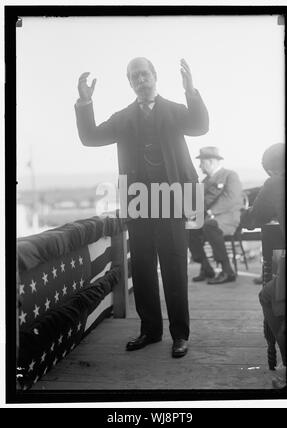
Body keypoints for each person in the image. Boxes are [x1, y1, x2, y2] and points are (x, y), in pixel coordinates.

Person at [75, 57, 209, 358]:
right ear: (129, 82)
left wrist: (191, 91)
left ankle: (179, 335)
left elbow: (200, 126)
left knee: (174, 267)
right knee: (144, 268)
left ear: (154, 76)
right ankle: (150, 330)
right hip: (138, 202)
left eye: (144, 74)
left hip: (172, 198)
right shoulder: (122, 118)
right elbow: (90, 138)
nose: (140, 80)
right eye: (134, 76)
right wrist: (85, 105)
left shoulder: (176, 111)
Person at [242, 143, 285, 388]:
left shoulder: (275, 183)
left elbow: (254, 218)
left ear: (269, 169)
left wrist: (246, 214)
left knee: (269, 296)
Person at [189, 146, 243, 284]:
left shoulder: (230, 175)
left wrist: (211, 212)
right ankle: (206, 268)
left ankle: (227, 271)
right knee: (189, 227)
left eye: (202, 162)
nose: (200, 166)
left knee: (209, 225)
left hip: (229, 217)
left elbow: (231, 197)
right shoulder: (205, 182)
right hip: (210, 219)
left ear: (212, 161)